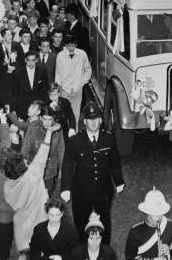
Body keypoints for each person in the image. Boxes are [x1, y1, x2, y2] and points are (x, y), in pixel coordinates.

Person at [61, 102, 124, 244]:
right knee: (81, 223)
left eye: (96, 118)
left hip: (103, 191)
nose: (93, 122)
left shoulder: (108, 138)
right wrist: (65, 187)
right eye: (90, 119)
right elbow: (67, 165)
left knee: (104, 223)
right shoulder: (75, 141)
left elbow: (115, 162)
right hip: (81, 192)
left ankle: (104, 252)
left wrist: (118, 181)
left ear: (101, 120)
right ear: (84, 122)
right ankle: (84, 250)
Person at [4, 122, 62, 259]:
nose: (27, 162)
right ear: (22, 169)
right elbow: (42, 155)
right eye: (25, 163)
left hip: (21, 233)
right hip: (39, 229)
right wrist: (49, 133)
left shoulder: (8, 185)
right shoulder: (32, 176)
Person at [125, 188, 172, 260]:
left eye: (161, 212)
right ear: (146, 212)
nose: (158, 216)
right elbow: (130, 257)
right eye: (154, 212)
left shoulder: (170, 226)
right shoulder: (135, 231)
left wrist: (169, 251)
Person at [55, 34, 92, 122]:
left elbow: (88, 70)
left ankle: (74, 133)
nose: (71, 48)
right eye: (69, 46)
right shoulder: (60, 55)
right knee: (63, 113)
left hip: (77, 89)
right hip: (64, 89)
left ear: (76, 45)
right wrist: (59, 88)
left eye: (73, 45)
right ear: (65, 45)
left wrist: (82, 83)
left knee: (75, 113)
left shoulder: (82, 54)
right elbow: (58, 73)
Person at [12, 51, 49, 119]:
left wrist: (45, 107)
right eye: (28, 60)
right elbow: (14, 92)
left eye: (33, 60)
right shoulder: (18, 72)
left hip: (38, 108)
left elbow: (45, 90)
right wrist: (13, 109)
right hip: (22, 108)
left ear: (37, 60)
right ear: (25, 60)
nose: (31, 63)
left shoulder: (42, 70)